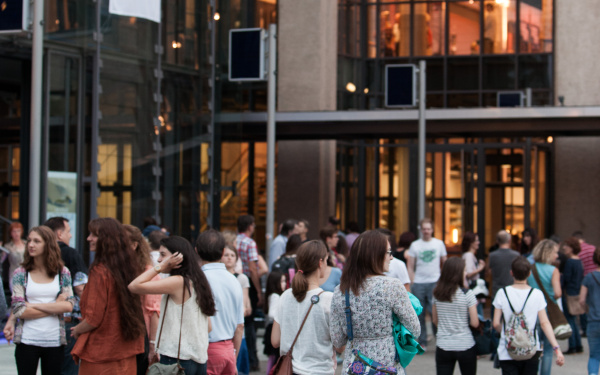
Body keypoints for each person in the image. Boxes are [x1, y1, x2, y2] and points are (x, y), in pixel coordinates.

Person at [330, 230, 420, 374]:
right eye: (388, 252)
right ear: (375, 256)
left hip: (355, 367)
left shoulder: (341, 290)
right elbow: (415, 329)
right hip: (386, 366)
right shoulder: (392, 286)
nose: (391, 257)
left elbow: (337, 340)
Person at [129, 236, 216, 375]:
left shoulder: (178, 281)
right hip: (199, 360)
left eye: (163, 255)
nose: (158, 259)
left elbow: (134, 286)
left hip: (176, 360)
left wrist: (159, 268)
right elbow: (209, 327)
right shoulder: (197, 281)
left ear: (178, 257)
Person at [71, 218, 146, 374]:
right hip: (126, 351)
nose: (88, 238)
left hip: (101, 353)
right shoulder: (128, 268)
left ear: (106, 239)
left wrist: (77, 329)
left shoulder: (100, 271)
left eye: (94, 235)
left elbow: (93, 318)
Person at [3, 226, 74, 375]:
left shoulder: (63, 273)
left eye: (36, 241)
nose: (30, 244)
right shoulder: (20, 273)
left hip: (55, 341)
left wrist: (32, 306)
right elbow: (19, 310)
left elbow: (68, 306)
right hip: (27, 341)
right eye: (29, 240)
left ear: (48, 244)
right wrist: (55, 306)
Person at [271, 240, 335, 374]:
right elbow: (340, 347)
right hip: (320, 371)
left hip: (289, 370)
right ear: (320, 262)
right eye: (327, 260)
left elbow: (275, 341)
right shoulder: (328, 299)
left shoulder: (286, 296)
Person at [493, 256, 565, 374]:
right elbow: (544, 323)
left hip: (507, 350)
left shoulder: (502, 293)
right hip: (531, 349)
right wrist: (557, 349)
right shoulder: (537, 294)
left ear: (511, 273)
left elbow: (496, 323)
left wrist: (507, 333)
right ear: (529, 274)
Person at [42, 216, 89, 375]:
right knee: (68, 368)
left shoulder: (39, 256)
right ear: (59, 234)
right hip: (68, 321)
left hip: (42, 321)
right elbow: (80, 288)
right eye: (68, 232)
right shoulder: (70, 253)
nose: (70, 235)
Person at [200, 229, 245, 375]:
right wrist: (234, 356)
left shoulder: (198, 279)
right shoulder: (234, 280)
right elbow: (239, 326)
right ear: (222, 252)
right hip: (228, 348)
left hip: (207, 348)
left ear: (196, 251)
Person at [124, 224, 163, 373]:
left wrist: (152, 346)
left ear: (134, 245)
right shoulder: (121, 270)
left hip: (141, 340)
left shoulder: (148, 273)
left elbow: (154, 312)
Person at [432, 257, 479, 375]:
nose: (466, 273)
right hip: (466, 344)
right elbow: (475, 322)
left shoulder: (437, 294)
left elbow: (434, 320)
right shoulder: (467, 294)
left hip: (443, 345)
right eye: (464, 271)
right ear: (457, 274)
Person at [406, 218, 447, 348]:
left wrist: (443, 280)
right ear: (421, 230)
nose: (426, 231)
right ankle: (422, 341)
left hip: (435, 282)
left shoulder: (439, 244)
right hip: (419, 282)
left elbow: (444, 263)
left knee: (435, 311)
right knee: (420, 313)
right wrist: (411, 282)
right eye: (424, 229)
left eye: (428, 229)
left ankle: (438, 339)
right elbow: (410, 265)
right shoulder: (415, 245)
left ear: (432, 230)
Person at [527, 239, 563, 375]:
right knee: (548, 350)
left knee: (533, 347)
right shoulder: (553, 270)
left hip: (531, 312)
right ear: (548, 253)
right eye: (555, 252)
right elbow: (558, 293)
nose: (557, 255)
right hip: (548, 313)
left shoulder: (530, 269)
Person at [221, 244, 252, 375]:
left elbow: (244, 304)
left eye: (232, 255)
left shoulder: (242, 278)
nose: (229, 258)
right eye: (226, 255)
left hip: (237, 328)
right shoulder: (218, 277)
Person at [561, 237, 584, 354]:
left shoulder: (570, 262)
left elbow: (566, 278)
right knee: (574, 319)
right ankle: (578, 345)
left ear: (571, 248)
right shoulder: (579, 261)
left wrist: (560, 280)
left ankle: (573, 345)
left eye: (567, 246)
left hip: (569, 293)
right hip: (576, 292)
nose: (564, 248)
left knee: (569, 320)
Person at [579, 247, 600, 375]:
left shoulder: (588, 277)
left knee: (593, 355)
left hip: (593, 320)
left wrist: (587, 309)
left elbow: (581, 300)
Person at [263, 271, 286, 374]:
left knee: (274, 358)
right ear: (275, 283)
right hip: (274, 329)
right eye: (282, 281)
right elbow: (272, 313)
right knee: (274, 358)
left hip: (273, 329)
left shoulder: (274, 295)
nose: (284, 284)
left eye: (284, 281)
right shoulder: (275, 296)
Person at [462, 231, 486, 317]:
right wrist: (480, 268)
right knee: (478, 316)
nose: (478, 242)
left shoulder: (470, 255)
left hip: (473, 291)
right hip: (473, 291)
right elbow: (468, 274)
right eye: (476, 240)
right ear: (470, 242)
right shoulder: (469, 255)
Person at [1, 221, 26, 291]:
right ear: (10, 233)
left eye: (18, 231)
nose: (16, 234)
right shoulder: (8, 246)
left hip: (27, 273)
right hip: (14, 274)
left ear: (21, 232)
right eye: (14, 231)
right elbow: (1, 260)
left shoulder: (27, 244)